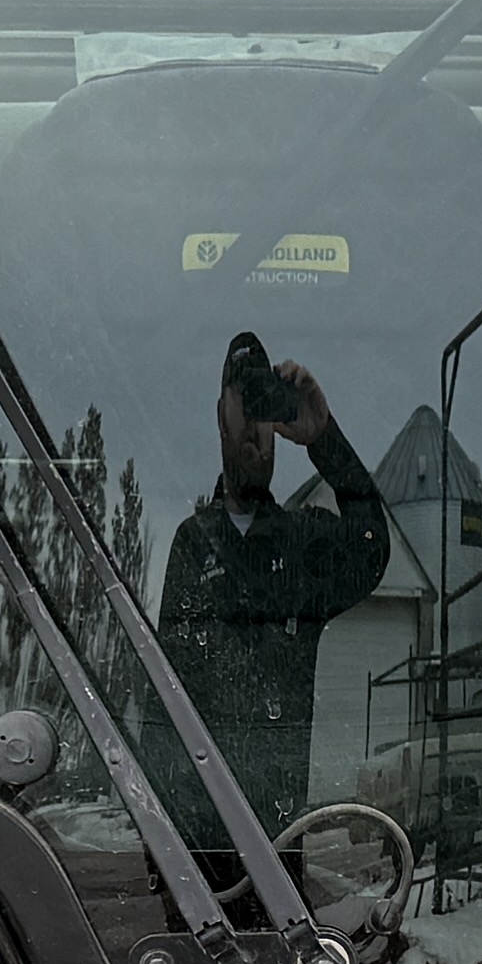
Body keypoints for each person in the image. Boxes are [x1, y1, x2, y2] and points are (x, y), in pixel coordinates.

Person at [152, 330, 388, 836]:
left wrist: (325, 438)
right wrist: (162, 849)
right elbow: (163, 700)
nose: (257, 428)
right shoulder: (193, 545)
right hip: (198, 853)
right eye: (247, 403)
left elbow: (371, 550)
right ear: (222, 417)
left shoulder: (303, 542)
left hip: (281, 846)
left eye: (268, 408)